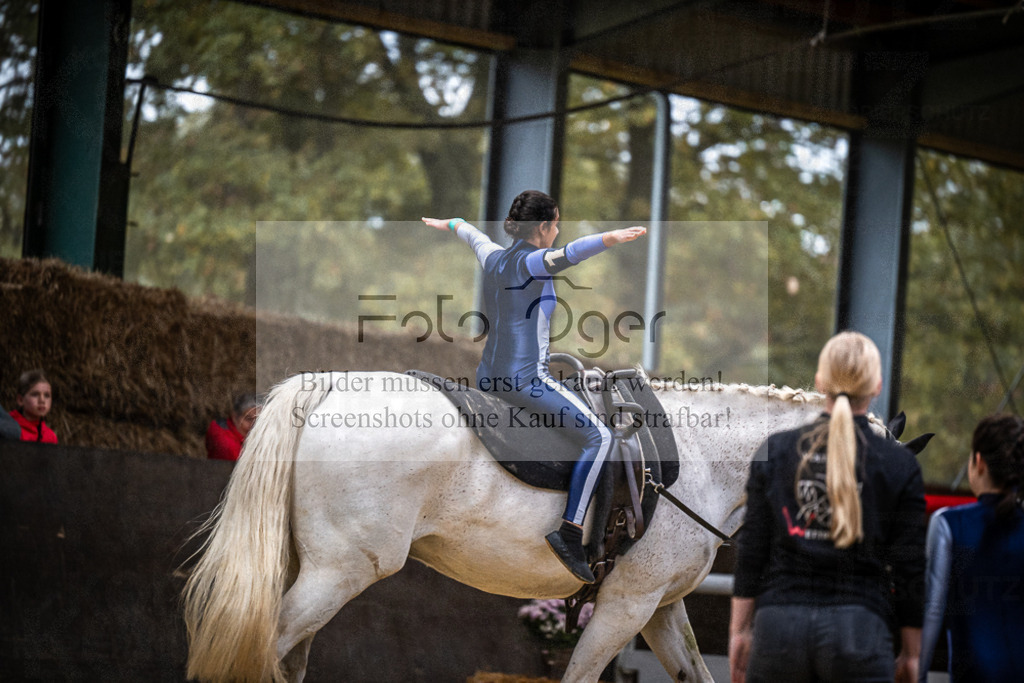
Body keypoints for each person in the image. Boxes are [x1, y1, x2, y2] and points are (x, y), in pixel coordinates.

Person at [422, 190, 646, 584]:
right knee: (601, 437)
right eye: (555, 223)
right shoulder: (533, 262)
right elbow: (572, 253)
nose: (557, 231)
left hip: (487, 377)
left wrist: (449, 224)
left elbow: (469, 232)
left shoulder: (492, 256)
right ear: (542, 228)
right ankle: (570, 531)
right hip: (524, 380)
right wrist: (612, 238)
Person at [729, 331, 925, 683]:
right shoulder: (899, 464)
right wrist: (912, 654)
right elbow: (910, 568)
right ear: (877, 386)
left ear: (820, 382)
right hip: (860, 634)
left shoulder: (776, 451)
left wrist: (739, 633)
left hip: (778, 632)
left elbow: (752, 551)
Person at [919, 414, 1024, 683]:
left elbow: (932, 612)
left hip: (973, 674)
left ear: (978, 462)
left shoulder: (949, 524)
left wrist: (916, 673)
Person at [205, 392, 264, 461]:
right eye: (249, 419)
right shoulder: (222, 438)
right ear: (235, 417)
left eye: (258, 420)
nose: (254, 425)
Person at [9, 369, 58, 443]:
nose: (42, 400)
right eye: (35, 394)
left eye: (47, 395)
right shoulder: (8, 429)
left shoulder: (50, 437)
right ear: (20, 400)